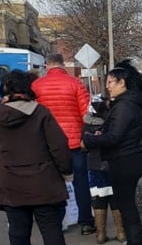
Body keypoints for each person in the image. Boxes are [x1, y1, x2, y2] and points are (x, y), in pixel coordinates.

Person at [0, 69, 73, 245]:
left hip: (10, 182)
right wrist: (66, 172)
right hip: (43, 181)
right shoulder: (41, 113)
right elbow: (59, 146)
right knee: (51, 230)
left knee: (18, 232)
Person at [82, 60, 142, 245]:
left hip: (126, 161)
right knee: (124, 204)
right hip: (124, 159)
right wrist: (99, 133)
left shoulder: (126, 105)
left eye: (111, 81)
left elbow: (114, 137)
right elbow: (113, 133)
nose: (108, 85)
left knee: (127, 206)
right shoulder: (125, 103)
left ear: (123, 83)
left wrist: (89, 140)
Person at [32, 53, 95, 235]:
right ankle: (86, 222)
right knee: (81, 182)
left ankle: (56, 223)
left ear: (47, 66)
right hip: (75, 141)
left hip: (48, 143)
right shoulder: (75, 83)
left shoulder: (36, 86)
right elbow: (86, 115)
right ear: (62, 65)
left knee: (53, 183)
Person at [83, 96, 125, 245]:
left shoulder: (86, 125)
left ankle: (100, 234)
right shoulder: (111, 124)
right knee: (115, 198)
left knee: (99, 199)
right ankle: (121, 232)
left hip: (93, 165)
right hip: (111, 164)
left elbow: (83, 146)